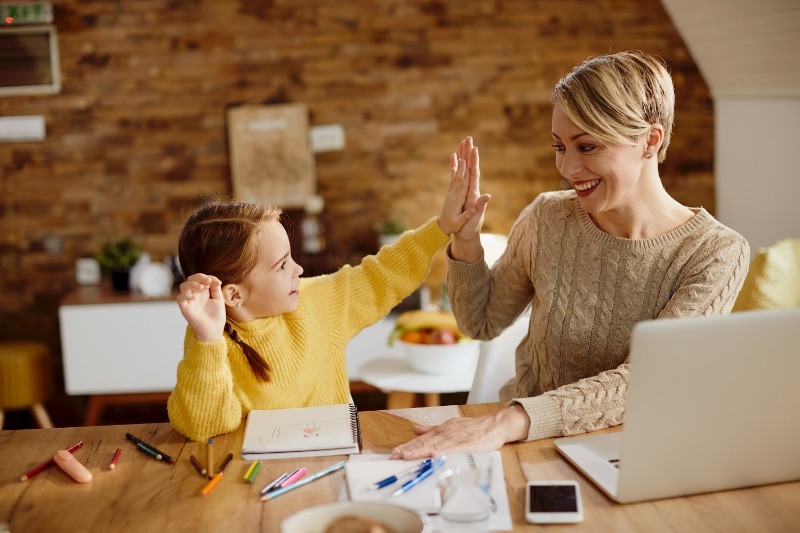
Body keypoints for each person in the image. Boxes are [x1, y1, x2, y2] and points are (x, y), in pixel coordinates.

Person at [390, 51, 750, 460]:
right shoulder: (547, 217)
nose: (568, 167)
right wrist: (466, 240)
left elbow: (647, 380)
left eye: (587, 146)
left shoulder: (715, 252)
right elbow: (481, 322)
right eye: (560, 146)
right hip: (523, 446)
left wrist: (509, 420)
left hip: (633, 454)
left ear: (651, 140)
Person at [168, 154, 490, 442]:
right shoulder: (209, 340)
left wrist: (441, 228)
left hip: (333, 462)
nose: (299, 268)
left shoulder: (318, 303)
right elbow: (204, 426)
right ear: (234, 294)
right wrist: (207, 341)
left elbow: (382, 274)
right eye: (282, 265)